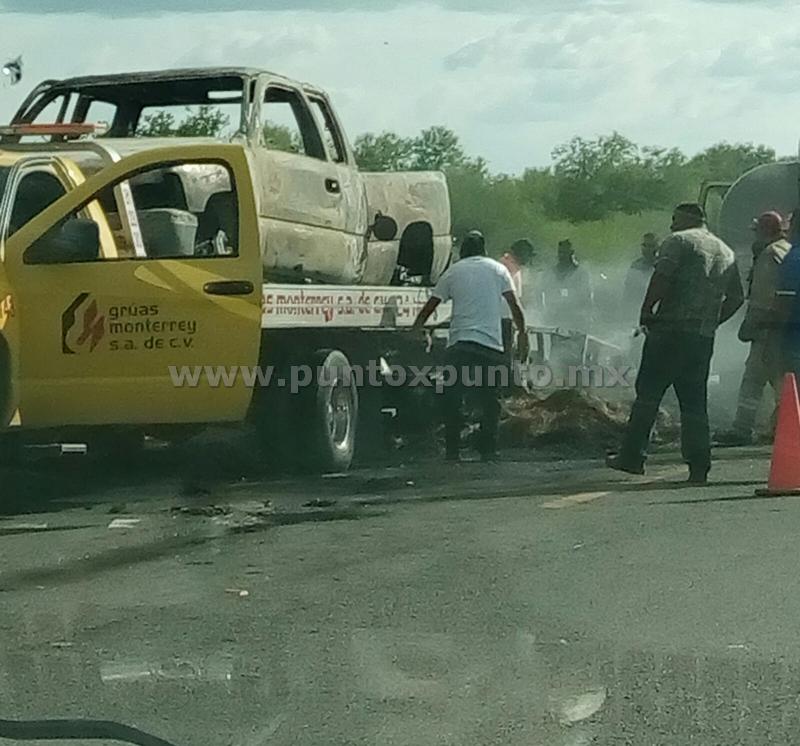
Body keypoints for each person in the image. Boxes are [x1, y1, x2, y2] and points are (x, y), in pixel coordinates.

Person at [607, 203, 744, 484]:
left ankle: (632, 457)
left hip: (669, 332)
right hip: (701, 338)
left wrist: (646, 311)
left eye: (674, 219)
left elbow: (662, 277)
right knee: (694, 402)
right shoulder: (726, 251)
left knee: (648, 394)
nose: (670, 225)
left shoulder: (679, 241)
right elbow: (737, 298)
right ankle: (699, 465)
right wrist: (713, 321)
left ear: (686, 219)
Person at [412, 230, 529, 461]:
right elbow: (515, 306)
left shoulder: (453, 272)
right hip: (490, 346)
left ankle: (452, 451)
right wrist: (523, 334)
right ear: (484, 250)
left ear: (463, 251)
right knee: (490, 400)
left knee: (453, 397)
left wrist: (418, 329)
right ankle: (488, 450)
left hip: (460, 346)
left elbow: (430, 306)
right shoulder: (499, 270)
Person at [716, 212, 791, 446]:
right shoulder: (787, 250)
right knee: (766, 380)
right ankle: (761, 426)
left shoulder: (769, 255)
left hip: (767, 330)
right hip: (781, 329)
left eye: (757, 230)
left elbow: (764, 298)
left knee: (770, 382)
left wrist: (752, 325)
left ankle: (747, 429)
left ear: (765, 230)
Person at [539, 239, 594, 331]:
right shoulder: (550, 273)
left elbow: (587, 295)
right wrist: (543, 312)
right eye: (560, 252)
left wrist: (588, 315)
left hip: (576, 318)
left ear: (572, 253)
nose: (562, 255)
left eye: (565, 252)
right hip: (555, 317)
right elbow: (540, 292)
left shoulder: (581, 273)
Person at [499, 238, 536, 357]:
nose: (529, 259)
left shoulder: (514, 268)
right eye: (528, 255)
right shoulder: (506, 267)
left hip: (508, 320)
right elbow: (512, 301)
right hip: (501, 320)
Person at [623, 233, 659, 313]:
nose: (647, 249)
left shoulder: (662, 265)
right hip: (635, 307)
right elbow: (628, 290)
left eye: (650, 246)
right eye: (644, 245)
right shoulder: (636, 266)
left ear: (657, 247)